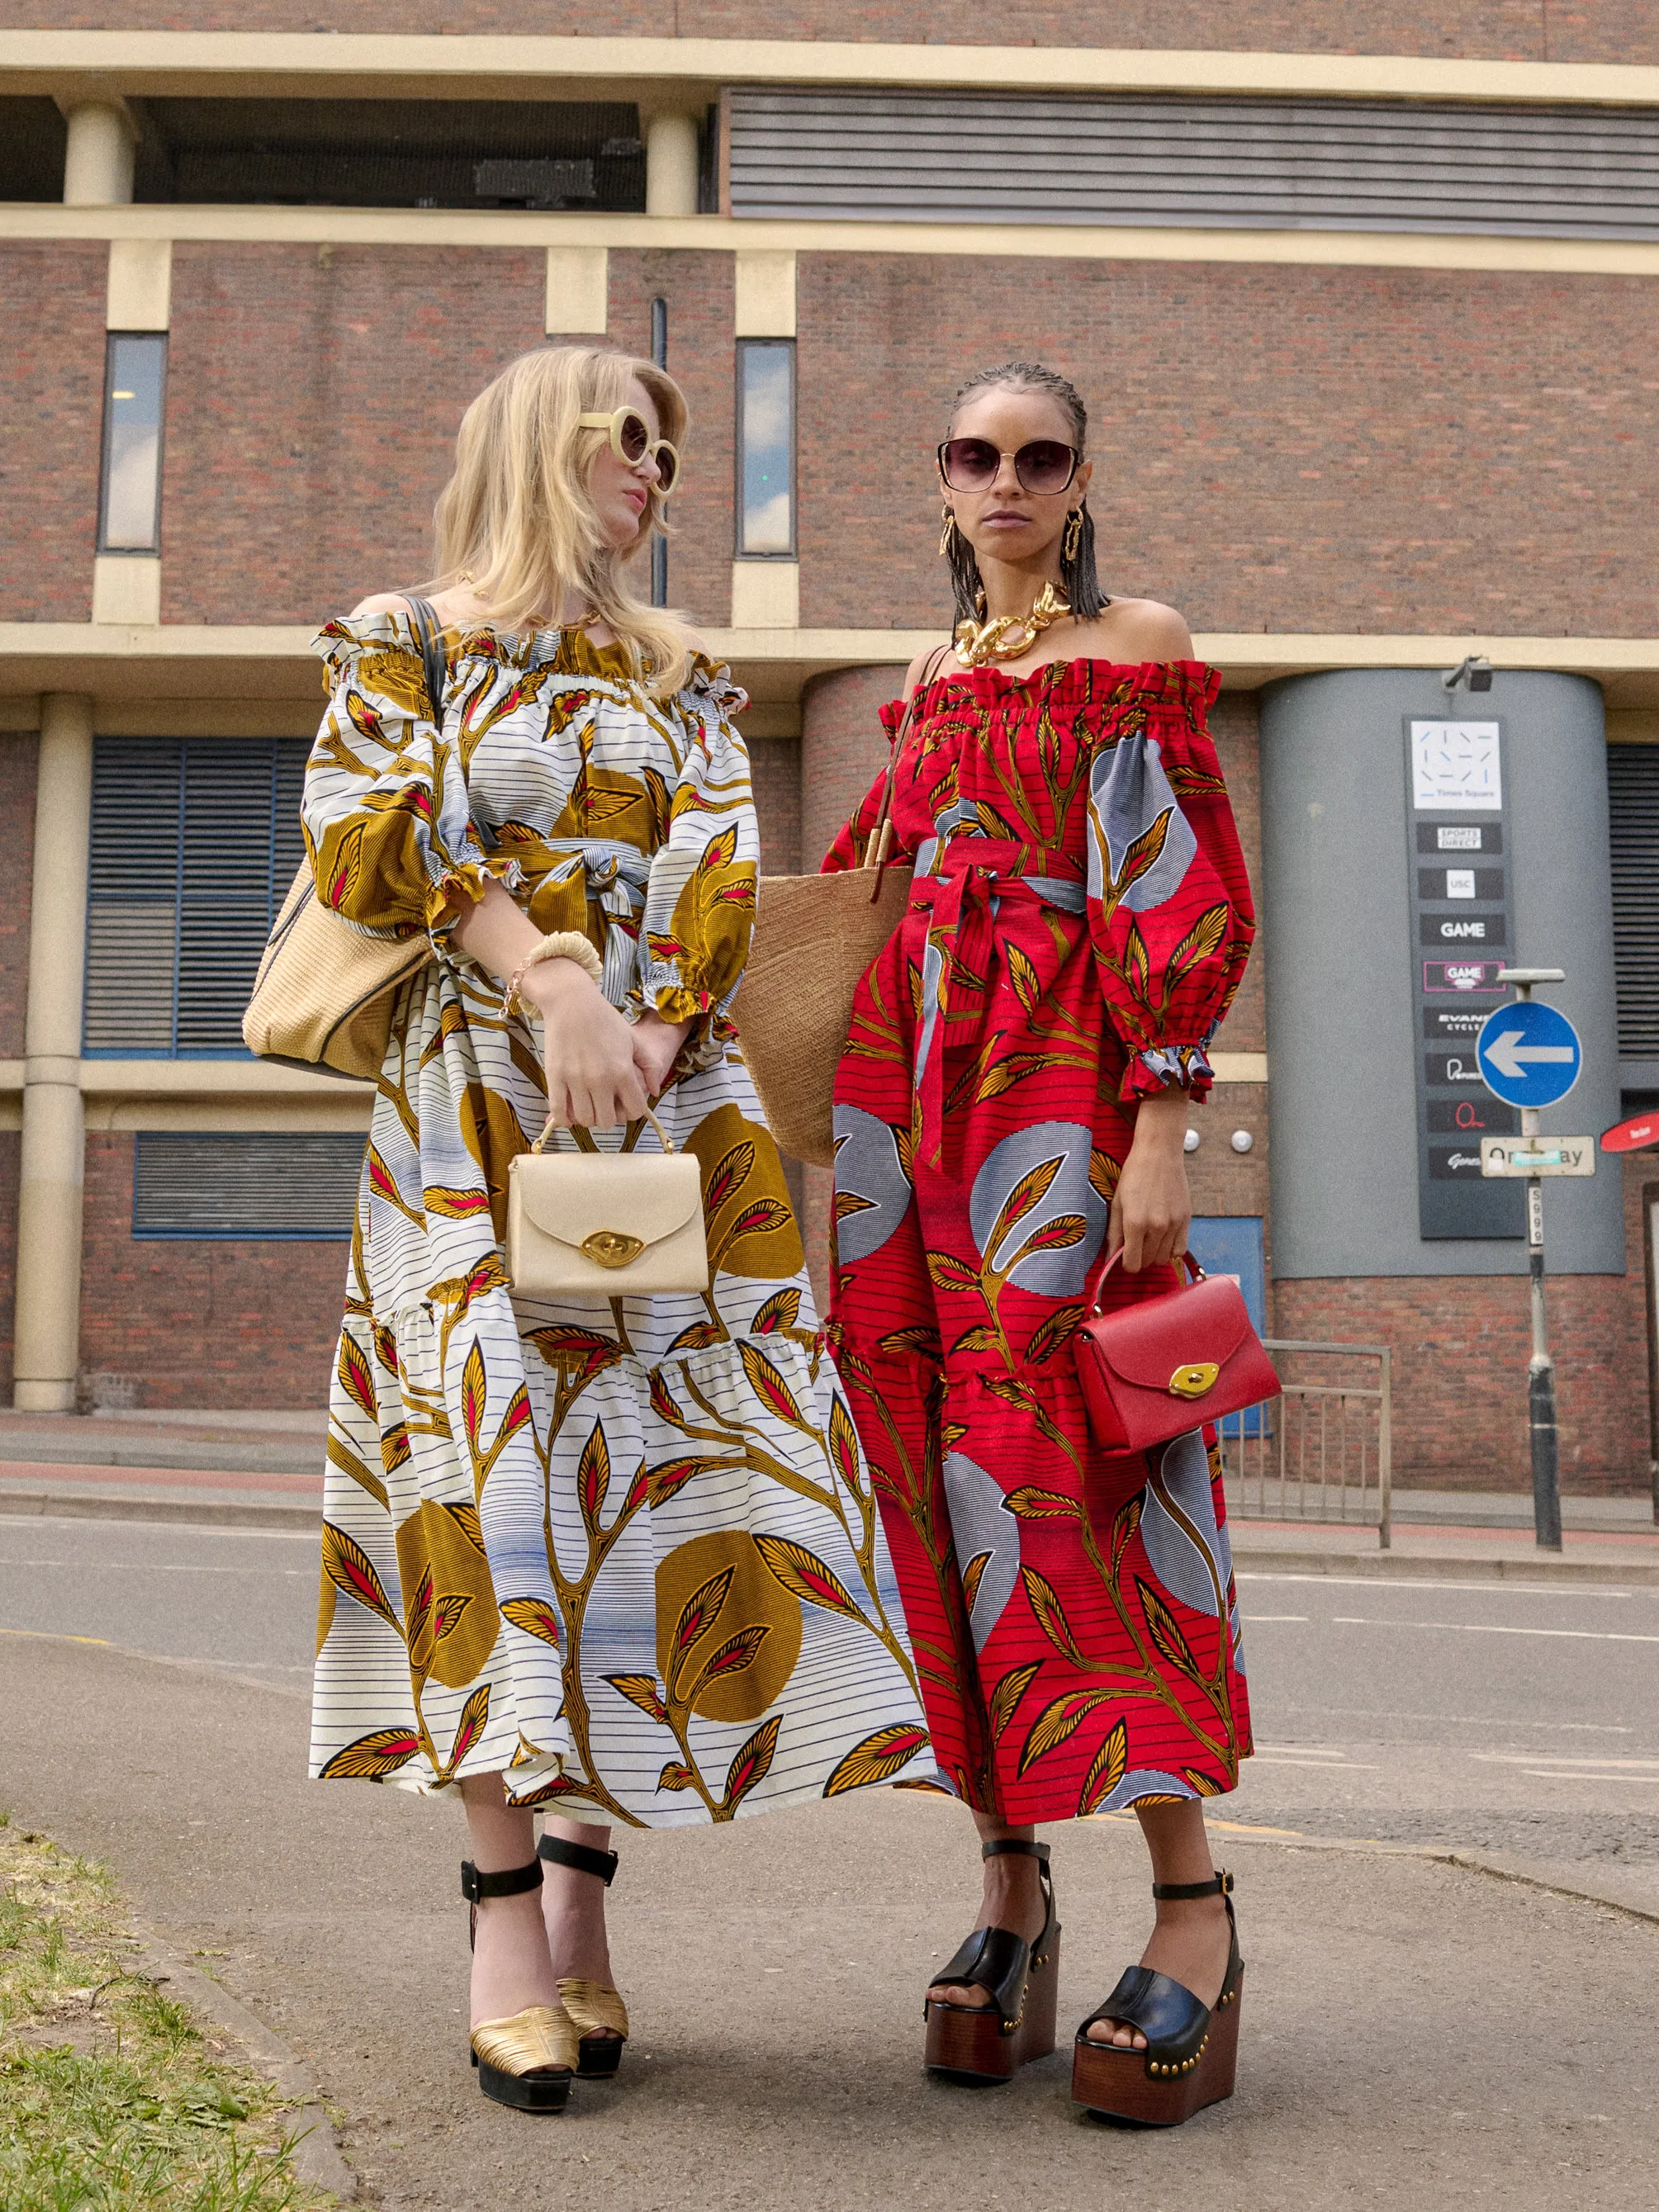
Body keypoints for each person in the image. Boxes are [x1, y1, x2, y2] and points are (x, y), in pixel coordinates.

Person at [303, 345, 932, 2115]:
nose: (653, 468)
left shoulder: (682, 671)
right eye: (625, 438)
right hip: (470, 1115)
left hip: (672, 1116)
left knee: (650, 1492)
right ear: (536, 444)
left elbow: (722, 860)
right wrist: (554, 981)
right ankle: (504, 1925)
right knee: (490, 1494)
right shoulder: (404, 637)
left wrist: (652, 1020)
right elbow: (362, 835)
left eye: (666, 447)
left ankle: (583, 1897)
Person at [822, 362, 1257, 2127]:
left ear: (1079, 482)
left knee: (1077, 1464)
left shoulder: (1133, 647)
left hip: (1060, 1097)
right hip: (904, 1110)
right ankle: (1008, 1886)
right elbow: (863, 883)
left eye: (1039, 455)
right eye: (974, 454)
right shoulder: (930, 676)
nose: (1004, 479)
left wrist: (1161, 1120)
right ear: (940, 481)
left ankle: (1192, 1902)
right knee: (934, 1485)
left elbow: (1178, 888)